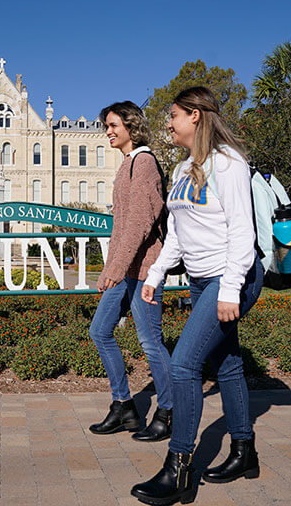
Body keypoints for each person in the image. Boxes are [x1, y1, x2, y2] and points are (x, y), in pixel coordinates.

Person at [131, 86, 264, 505]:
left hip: (233, 276)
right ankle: (244, 451)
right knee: (226, 363)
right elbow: (179, 236)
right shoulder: (185, 168)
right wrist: (154, 274)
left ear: (196, 116)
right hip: (202, 279)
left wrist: (230, 289)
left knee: (185, 365)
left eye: (172, 115)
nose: (166, 123)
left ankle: (180, 468)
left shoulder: (229, 164)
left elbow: (243, 232)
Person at [88, 100, 174, 442]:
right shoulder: (126, 165)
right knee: (100, 331)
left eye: (113, 125)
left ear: (130, 126)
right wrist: (110, 269)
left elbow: (140, 223)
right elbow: (120, 226)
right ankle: (124, 406)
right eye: (106, 126)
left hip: (144, 270)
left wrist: (117, 268)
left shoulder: (144, 162)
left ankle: (167, 411)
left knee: (151, 343)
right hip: (124, 271)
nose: (108, 131)